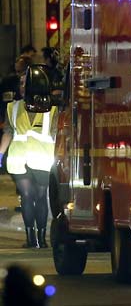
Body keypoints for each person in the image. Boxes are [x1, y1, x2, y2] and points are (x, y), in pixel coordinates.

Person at [0, 72, 58, 249]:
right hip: (21, 159)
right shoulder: (13, 107)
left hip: (41, 160)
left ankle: (38, 238)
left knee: (38, 197)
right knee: (28, 196)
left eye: (26, 83)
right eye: (21, 83)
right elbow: (8, 132)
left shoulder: (53, 109)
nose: (22, 86)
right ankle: (33, 237)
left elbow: (56, 134)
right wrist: (0, 154)